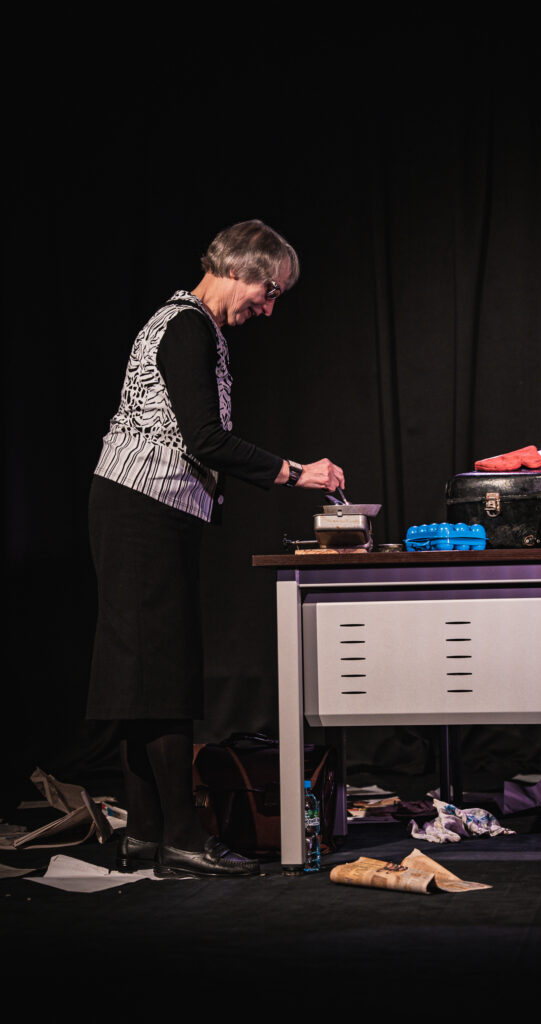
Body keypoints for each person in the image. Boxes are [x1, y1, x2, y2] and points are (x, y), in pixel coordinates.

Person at [87, 219, 344, 878]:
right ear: (238, 268)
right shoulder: (187, 326)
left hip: (144, 509)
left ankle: (145, 834)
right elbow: (205, 439)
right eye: (269, 290)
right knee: (160, 673)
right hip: (142, 510)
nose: (269, 307)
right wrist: (297, 473)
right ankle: (179, 839)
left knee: (143, 673)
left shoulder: (192, 323)